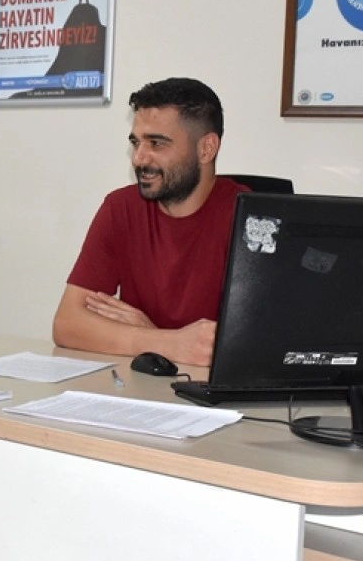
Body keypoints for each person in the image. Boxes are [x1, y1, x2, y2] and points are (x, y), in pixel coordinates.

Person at [52, 78, 248, 367]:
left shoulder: (252, 220)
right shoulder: (120, 208)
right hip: (141, 385)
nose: (139, 158)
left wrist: (152, 338)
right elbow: (68, 324)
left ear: (206, 149)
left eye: (156, 143)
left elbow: (253, 347)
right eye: (136, 143)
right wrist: (164, 341)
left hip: (211, 391)